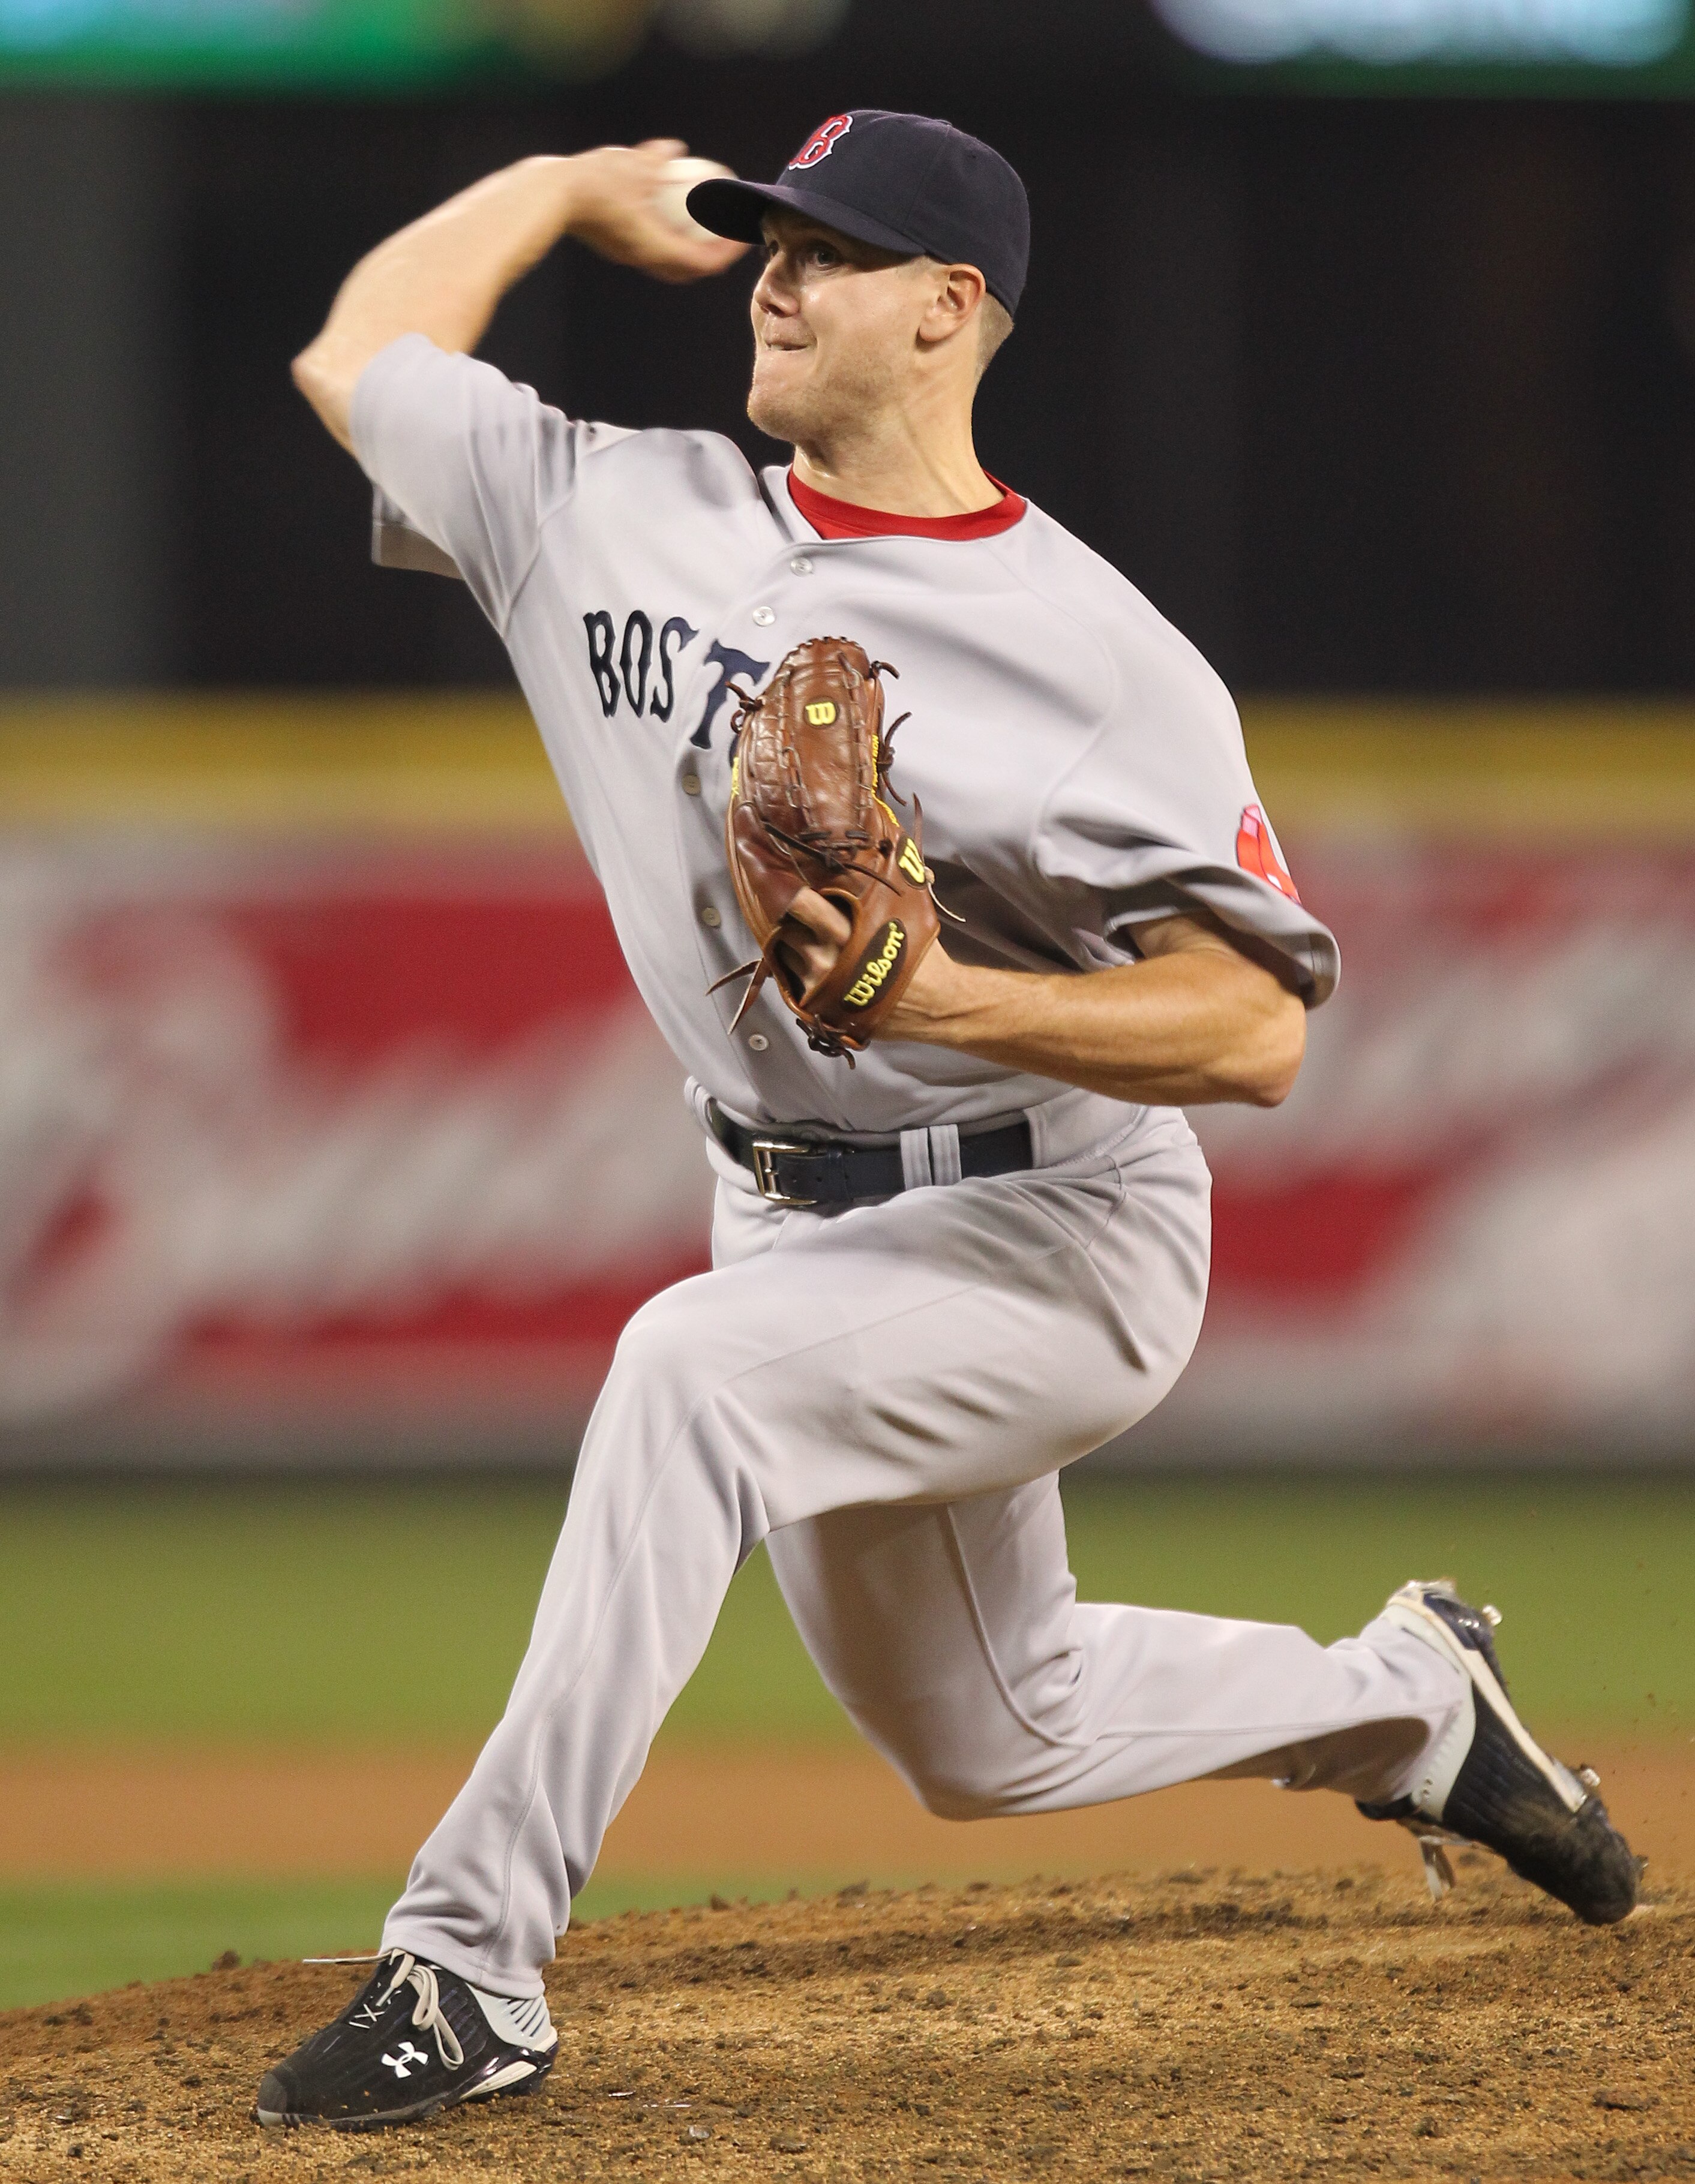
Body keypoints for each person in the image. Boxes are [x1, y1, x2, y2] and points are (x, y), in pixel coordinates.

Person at [257, 110, 1639, 2131]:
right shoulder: (608, 507)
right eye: (763, 240)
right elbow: (354, 354)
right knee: (994, 1729)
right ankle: (1412, 1702)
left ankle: (467, 1967)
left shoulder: (1098, 657)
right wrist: (559, 187)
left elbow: (1256, 1029)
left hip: (1048, 1230)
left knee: (684, 1379)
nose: (776, 277)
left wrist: (955, 995)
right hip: (794, 1224)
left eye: (830, 250)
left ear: (947, 310)